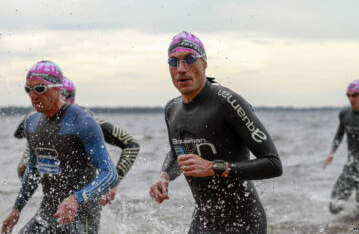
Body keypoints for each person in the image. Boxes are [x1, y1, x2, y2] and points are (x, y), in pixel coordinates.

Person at [149, 31, 283, 234]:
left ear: (204, 63)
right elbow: (178, 153)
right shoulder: (172, 109)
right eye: (173, 62)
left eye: (190, 59)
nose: (181, 69)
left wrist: (214, 167)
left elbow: (273, 164)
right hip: (204, 221)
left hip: (243, 222)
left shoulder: (227, 102)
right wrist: (165, 176)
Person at [1, 60, 118, 234]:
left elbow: (110, 174)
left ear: (57, 89)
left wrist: (76, 199)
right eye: (28, 89)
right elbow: (33, 170)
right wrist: (16, 209)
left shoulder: (83, 122)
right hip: (47, 213)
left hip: (81, 215)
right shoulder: (31, 123)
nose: (33, 95)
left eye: (40, 89)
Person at [15, 77, 140, 206]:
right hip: (51, 187)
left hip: (80, 192)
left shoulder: (86, 121)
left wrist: (113, 182)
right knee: (25, 168)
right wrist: (33, 114)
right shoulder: (37, 117)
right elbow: (18, 134)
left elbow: (131, 144)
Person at [323, 79, 359, 219]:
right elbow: (339, 134)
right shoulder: (344, 115)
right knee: (334, 207)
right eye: (348, 95)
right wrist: (331, 153)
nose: (351, 98)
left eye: (354, 95)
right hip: (350, 168)